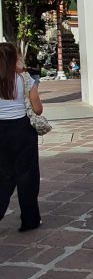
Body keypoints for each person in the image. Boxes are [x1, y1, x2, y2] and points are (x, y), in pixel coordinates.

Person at [0, 43, 43, 232]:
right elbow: (37, 109)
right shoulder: (24, 79)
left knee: (4, 176)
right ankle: (30, 219)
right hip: (22, 129)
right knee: (27, 176)